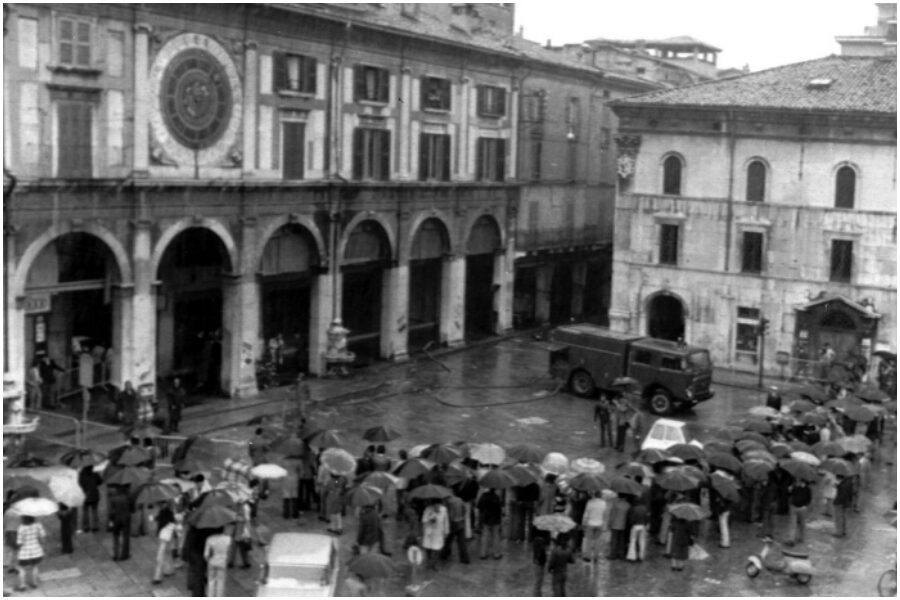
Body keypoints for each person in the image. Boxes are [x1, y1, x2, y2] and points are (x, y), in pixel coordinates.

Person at [15, 515, 46, 591]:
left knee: (21, 568)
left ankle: (22, 585)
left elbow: (19, 542)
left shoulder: (21, 528)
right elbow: (43, 536)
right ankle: (34, 583)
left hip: (24, 553)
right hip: (36, 551)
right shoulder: (38, 525)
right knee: (35, 567)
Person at [152, 505, 179, 584]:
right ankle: (169, 570)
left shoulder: (163, 512)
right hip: (169, 536)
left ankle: (157, 577)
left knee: (160, 556)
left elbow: (162, 521)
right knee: (168, 553)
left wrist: (155, 518)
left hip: (164, 536)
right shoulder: (169, 512)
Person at [441, 494, 469, 564]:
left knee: (448, 540)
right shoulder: (459, 499)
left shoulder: (448, 502)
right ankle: (465, 558)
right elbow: (464, 509)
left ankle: (444, 554)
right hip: (461, 521)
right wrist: (462, 517)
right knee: (462, 542)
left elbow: (448, 513)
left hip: (453, 523)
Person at [421, 499, 449, 570]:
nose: (437, 507)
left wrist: (446, 531)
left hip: (439, 532)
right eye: (436, 505)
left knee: (437, 549)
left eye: (439, 505)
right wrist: (430, 519)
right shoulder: (428, 509)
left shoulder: (444, 510)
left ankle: (433, 564)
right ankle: (429, 560)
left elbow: (446, 521)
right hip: (430, 532)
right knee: (428, 548)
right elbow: (423, 520)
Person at [581, 490, 608, 562]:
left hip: (590, 523)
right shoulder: (604, 503)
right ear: (601, 495)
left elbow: (586, 514)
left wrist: (583, 523)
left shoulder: (590, 502)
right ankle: (596, 557)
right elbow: (605, 515)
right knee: (597, 541)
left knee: (588, 541)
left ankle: (588, 556)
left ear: (594, 495)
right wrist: (604, 525)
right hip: (599, 523)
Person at [204, 527, 231, 597]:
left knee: (211, 581)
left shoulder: (209, 539)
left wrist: (208, 561)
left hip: (212, 562)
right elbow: (229, 552)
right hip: (222, 562)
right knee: (221, 581)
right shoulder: (228, 539)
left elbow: (206, 554)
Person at [477, 488, 504, 560]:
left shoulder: (484, 496)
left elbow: (479, 506)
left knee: (485, 536)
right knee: (496, 536)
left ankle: (483, 554)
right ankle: (496, 554)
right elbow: (499, 510)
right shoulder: (497, 497)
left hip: (486, 518)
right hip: (495, 519)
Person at [109, 484, 132, 561]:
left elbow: (111, 511)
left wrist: (110, 520)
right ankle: (124, 554)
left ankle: (116, 554)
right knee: (125, 537)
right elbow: (132, 508)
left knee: (115, 537)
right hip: (125, 519)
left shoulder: (113, 498)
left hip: (116, 519)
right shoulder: (128, 497)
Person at [786, 479, 812, 546]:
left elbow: (809, 499)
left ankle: (801, 537)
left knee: (802, 524)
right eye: (800, 482)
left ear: (805, 482)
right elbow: (790, 494)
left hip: (802, 509)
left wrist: (805, 506)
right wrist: (789, 490)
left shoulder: (808, 489)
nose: (800, 483)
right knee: (793, 524)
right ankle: (791, 539)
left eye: (801, 482)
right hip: (794, 507)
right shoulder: (796, 487)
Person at [78, 465, 102, 532]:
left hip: (85, 495)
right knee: (94, 511)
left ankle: (86, 527)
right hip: (94, 495)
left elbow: (79, 484)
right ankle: (95, 526)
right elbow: (100, 482)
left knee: (85, 511)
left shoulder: (81, 475)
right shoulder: (95, 474)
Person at [607, 493, 631, 560]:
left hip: (615, 525)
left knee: (614, 540)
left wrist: (609, 523)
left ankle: (613, 554)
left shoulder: (616, 504)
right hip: (623, 525)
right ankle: (621, 554)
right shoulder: (628, 505)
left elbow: (612, 515)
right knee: (621, 541)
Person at [626, 497, 649, 561]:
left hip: (635, 526)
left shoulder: (634, 509)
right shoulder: (645, 509)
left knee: (633, 541)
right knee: (642, 541)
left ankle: (632, 556)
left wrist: (631, 524)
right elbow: (647, 518)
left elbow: (631, 519)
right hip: (643, 526)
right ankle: (641, 556)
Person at [832, 473, 853, 537]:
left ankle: (839, 533)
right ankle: (843, 531)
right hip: (845, 503)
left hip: (840, 503)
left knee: (838, 518)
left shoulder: (843, 485)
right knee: (843, 517)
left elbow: (842, 494)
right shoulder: (848, 482)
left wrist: (837, 501)